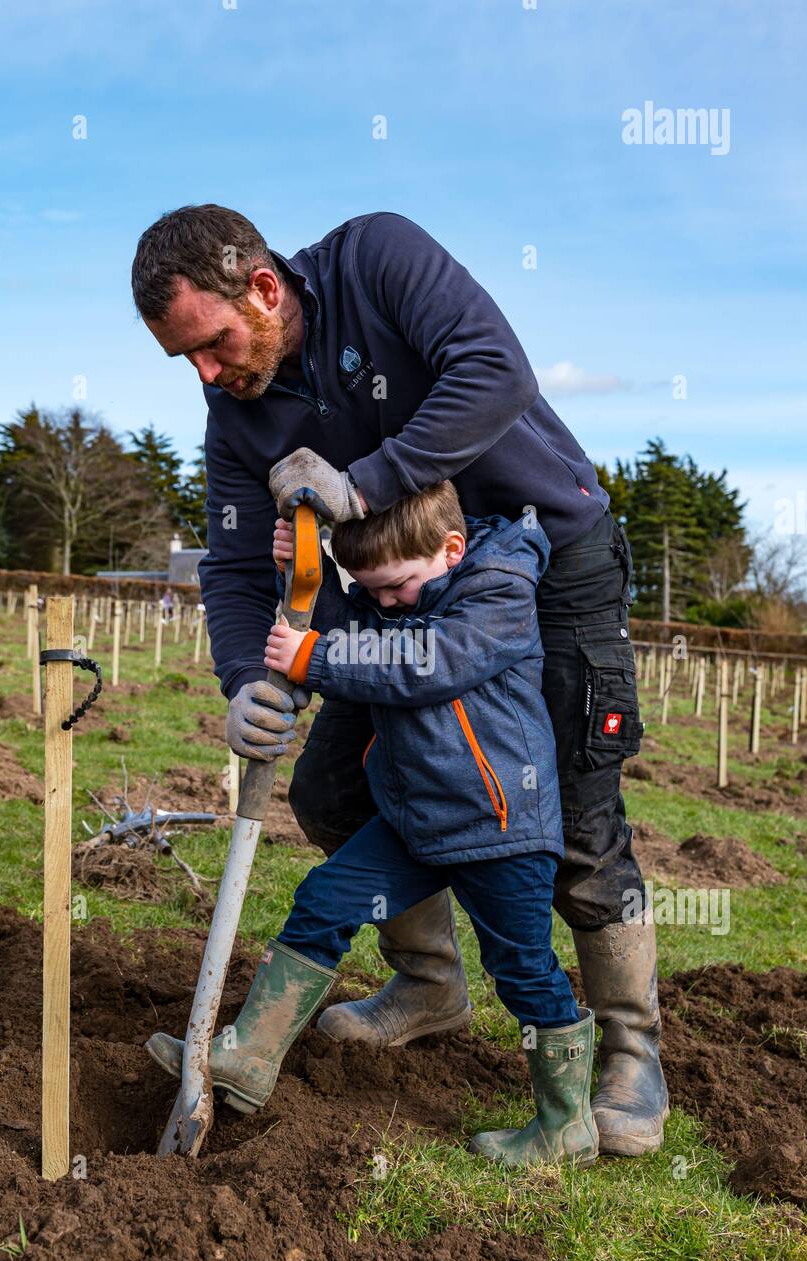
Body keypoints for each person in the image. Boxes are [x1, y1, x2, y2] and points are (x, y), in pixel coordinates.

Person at [132, 205, 668, 1156]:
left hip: (546, 560)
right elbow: (236, 566)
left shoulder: (377, 260)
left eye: (210, 346)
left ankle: (629, 1047)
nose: (208, 376)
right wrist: (240, 680)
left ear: (262, 288)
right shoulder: (237, 411)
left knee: (577, 820)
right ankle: (427, 985)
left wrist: (367, 483)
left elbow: (495, 374)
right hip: (398, 607)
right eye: (188, 363)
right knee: (337, 790)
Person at [147, 483, 598, 1169]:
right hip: (416, 820)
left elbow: (422, 662)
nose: (385, 601)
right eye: (371, 590)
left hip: (500, 824)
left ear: (451, 549)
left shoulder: (498, 594)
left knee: (522, 969)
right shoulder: (403, 588)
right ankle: (248, 1056)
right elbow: (360, 629)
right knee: (325, 898)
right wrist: (304, 573)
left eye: (395, 587)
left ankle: (566, 1126)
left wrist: (315, 658)